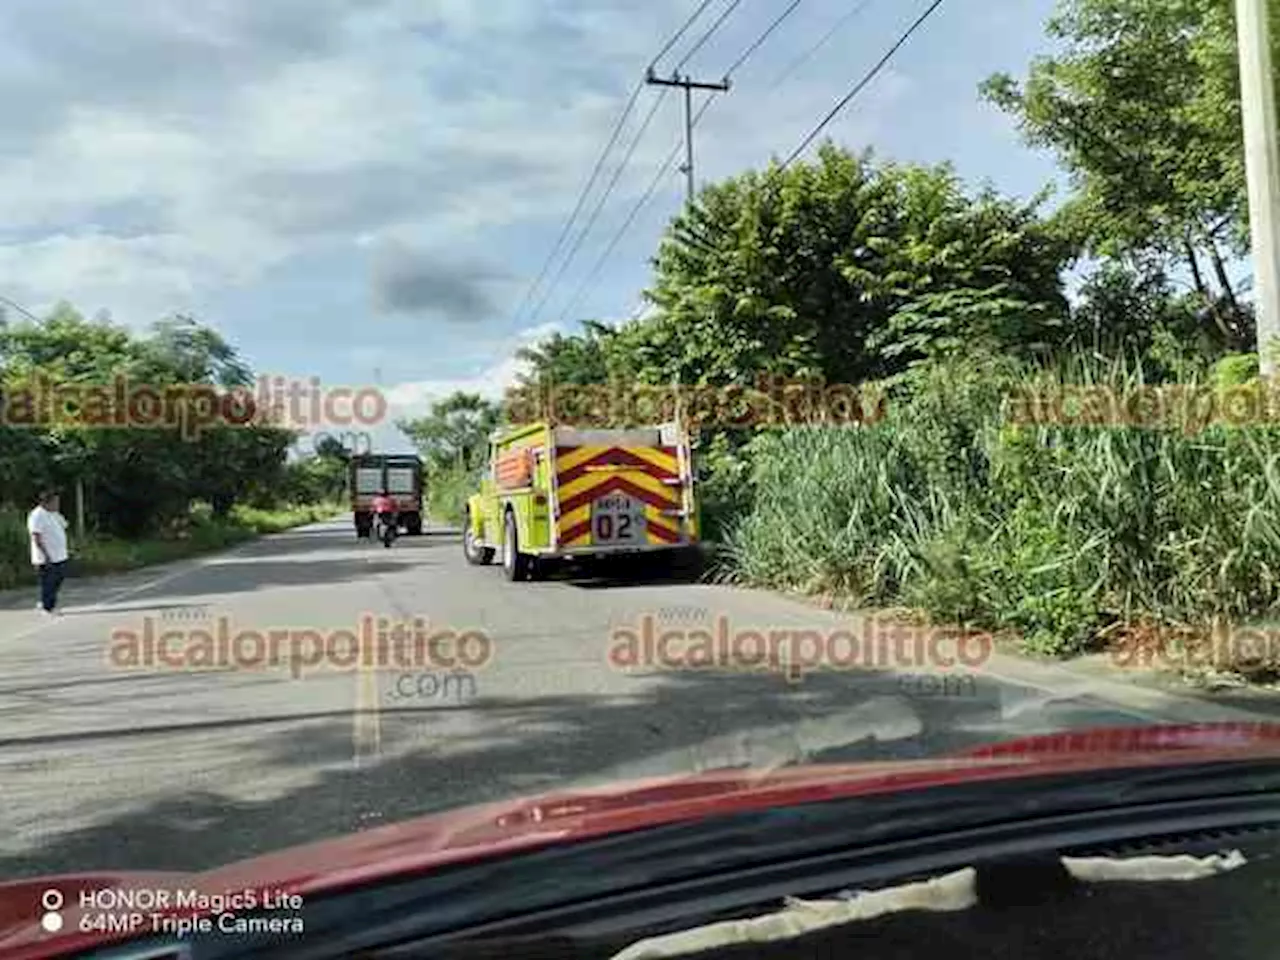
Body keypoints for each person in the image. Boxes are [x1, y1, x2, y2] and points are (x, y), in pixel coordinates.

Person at [28, 490, 70, 615]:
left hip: (60, 555)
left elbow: (63, 527)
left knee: (58, 579)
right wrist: (46, 555)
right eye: (55, 502)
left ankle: (45, 602)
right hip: (46, 557)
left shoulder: (54, 514)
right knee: (49, 582)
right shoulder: (37, 515)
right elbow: (36, 536)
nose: (57, 504)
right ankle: (48, 607)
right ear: (46, 502)